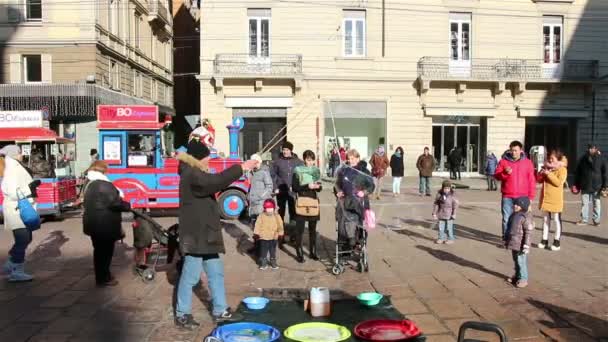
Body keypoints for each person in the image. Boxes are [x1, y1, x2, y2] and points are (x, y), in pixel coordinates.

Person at [174, 139, 258, 329]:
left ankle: (220, 310)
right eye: (206, 158)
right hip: (197, 236)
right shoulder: (192, 174)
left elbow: (213, 183)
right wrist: (241, 167)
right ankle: (182, 314)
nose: (209, 161)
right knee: (191, 276)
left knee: (216, 273)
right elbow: (215, 182)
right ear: (197, 159)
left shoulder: (195, 172)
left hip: (206, 234)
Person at [82, 161, 130, 287]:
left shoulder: (89, 182)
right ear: (103, 170)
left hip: (93, 223)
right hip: (105, 224)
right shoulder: (104, 185)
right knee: (105, 253)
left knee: (98, 251)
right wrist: (127, 205)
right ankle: (104, 278)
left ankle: (102, 276)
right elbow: (115, 203)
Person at [0, 145, 37, 282]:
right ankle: (16, 269)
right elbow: (10, 191)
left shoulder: (16, 166)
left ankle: (12, 262)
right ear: (13, 154)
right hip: (17, 210)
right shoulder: (12, 169)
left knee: (26, 238)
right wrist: (30, 189)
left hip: (20, 208)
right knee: (23, 239)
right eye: (19, 152)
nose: (22, 154)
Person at [494, 141, 535, 239]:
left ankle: (518, 238)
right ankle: (507, 238)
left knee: (521, 219)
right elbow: (497, 176)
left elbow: (531, 180)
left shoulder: (528, 163)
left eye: (516, 150)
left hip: (522, 197)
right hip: (507, 196)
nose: (513, 153)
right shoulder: (503, 162)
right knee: (506, 218)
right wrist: (505, 173)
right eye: (512, 150)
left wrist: (531, 197)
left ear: (521, 150)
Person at [292, 150, 322, 263]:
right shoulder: (297, 171)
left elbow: (320, 187)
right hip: (302, 201)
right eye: (308, 160)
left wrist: (317, 187)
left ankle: (313, 252)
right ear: (304, 159)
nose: (310, 162)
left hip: (313, 201)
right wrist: (307, 186)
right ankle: (299, 252)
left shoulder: (316, 171)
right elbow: (294, 187)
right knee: (299, 230)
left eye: (311, 160)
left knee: (312, 230)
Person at [536, 150, 567, 251]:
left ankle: (556, 241)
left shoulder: (562, 170)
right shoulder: (547, 168)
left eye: (552, 159)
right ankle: (544, 239)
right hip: (545, 198)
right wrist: (541, 173)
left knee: (556, 220)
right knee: (545, 219)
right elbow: (539, 180)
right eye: (549, 158)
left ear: (558, 160)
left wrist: (549, 174)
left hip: (556, 199)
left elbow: (558, 183)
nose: (550, 160)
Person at [574, 143, 607, 226]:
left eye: (592, 148)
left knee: (596, 203)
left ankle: (596, 220)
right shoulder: (583, 158)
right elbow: (578, 172)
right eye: (589, 148)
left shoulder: (600, 158)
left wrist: (605, 185)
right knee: (586, 203)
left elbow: (605, 173)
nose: (590, 149)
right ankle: (586, 219)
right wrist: (576, 183)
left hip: (596, 184)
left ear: (596, 149)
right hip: (586, 183)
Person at [246, 154, 273, 255]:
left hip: (261, 204)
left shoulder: (264, 172)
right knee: (255, 227)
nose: (253, 163)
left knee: (263, 227)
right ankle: (256, 246)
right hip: (252, 204)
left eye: (254, 162)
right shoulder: (252, 172)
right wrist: (248, 196)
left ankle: (265, 251)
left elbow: (269, 187)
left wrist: (261, 197)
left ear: (259, 162)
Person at [271, 141, 303, 225]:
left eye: (287, 150)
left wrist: (299, 187)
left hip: (293, 190)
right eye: (284, 150)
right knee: (281, 211)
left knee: (293, 212)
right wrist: (275, 187)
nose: (285, 152)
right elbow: (273, 175)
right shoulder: (277, 161)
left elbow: (302, 176)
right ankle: (281, 232)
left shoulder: (298, 162)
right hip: (281, 190)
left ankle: (293, 233)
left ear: (291, 150)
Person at [504, 197, 533, 289]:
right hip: (514, 243)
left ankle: (523, 278)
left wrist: (526, 245)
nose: (515, 206)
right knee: (516, 261)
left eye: (517, 205)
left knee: (521, 261)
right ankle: (517, 276)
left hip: (521, 244)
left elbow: (528, 232)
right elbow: (509, 228)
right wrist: (506, 238)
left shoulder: (525, 217)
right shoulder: (514, 215)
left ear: (523, 206)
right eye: (515, 204)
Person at [254, 199, 284, 270]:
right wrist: (256, 233)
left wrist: (280, 234)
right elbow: (257, 225)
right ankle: (263, 263)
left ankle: (273, 261)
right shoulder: (261, 216)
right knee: (263, 251)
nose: (269, 210)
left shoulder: (277, 216)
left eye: (271, 208)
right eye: (267, 208)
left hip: (273, 237)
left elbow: (280, 226)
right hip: (263, 237)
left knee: (272, 251)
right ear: (264, 208)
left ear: (274, 208)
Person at [432, 180, 459, 245]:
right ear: (442, 188)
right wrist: (434, 213)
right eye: (445, 188)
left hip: (449, 215)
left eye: (448, 188)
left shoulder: (453, 195)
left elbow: (455, 205)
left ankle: (450, 238)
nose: (446, 190)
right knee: (441, 227)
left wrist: (454, 214)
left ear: (450, 188)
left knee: (449, 228)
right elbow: (436, 204)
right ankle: (441, 238)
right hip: (441, 214)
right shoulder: (439, 195)